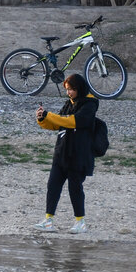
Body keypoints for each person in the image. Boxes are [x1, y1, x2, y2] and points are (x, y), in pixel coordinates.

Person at [33, 73, 99, 234]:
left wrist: (50, 115)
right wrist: (42, 119)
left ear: (79, 88)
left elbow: (72, 121)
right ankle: (48, 220)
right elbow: (57, 125)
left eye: (71, 90)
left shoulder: (90, 104)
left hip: (79, 155)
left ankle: (80, 222)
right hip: (62, 152)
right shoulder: (69, 103)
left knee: (74, 188)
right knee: (53, 185)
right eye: (67, 89)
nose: (68, 93)